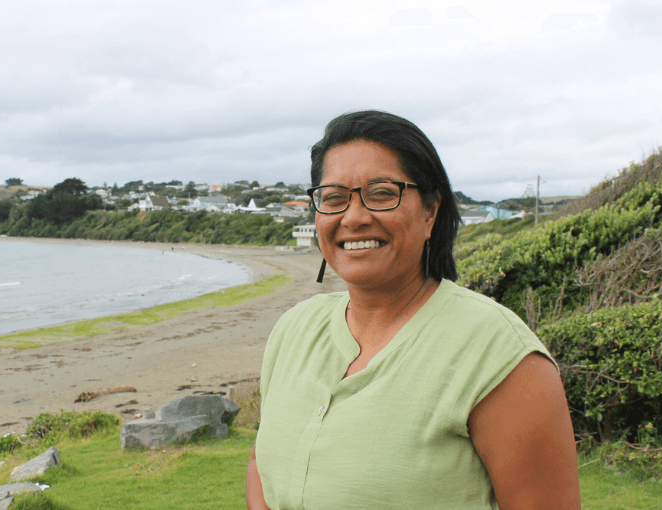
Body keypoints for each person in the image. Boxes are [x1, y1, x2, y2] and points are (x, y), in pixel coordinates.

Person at [246, 110, 580, 509]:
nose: (353, 217)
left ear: (430, 212)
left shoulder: (499, 356)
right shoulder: (293, 330)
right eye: (334, 198)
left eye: (382, 193)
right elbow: (260, 465)